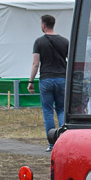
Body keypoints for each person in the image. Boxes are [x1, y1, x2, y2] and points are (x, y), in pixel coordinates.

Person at [28, 15, 70, 150]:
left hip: (46, 79)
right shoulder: (65, 41)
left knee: (47, 111)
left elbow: (35, 64)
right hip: (62, 78)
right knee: (62, 109)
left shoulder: (39, 42)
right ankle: (64, 140)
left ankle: (52, 143)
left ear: (44, 25)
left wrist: (31, 81)